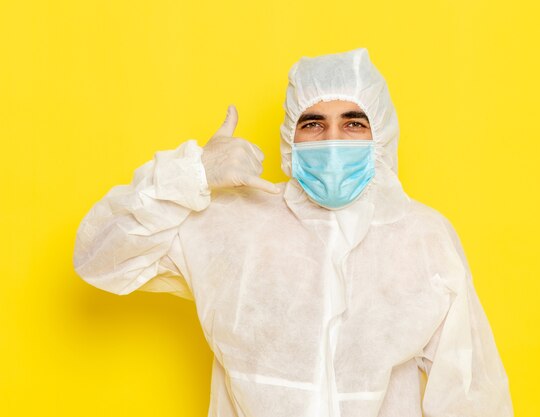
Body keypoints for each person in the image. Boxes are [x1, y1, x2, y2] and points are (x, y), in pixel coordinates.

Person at [73, 48, 514, 417]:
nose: (332, 139)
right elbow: (100, 258)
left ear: (380, 134)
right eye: (313, 123)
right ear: (291, 138)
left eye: (354, 123)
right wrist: (194, 175)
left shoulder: (422, 236)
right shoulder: (232, 224)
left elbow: (470, 390)